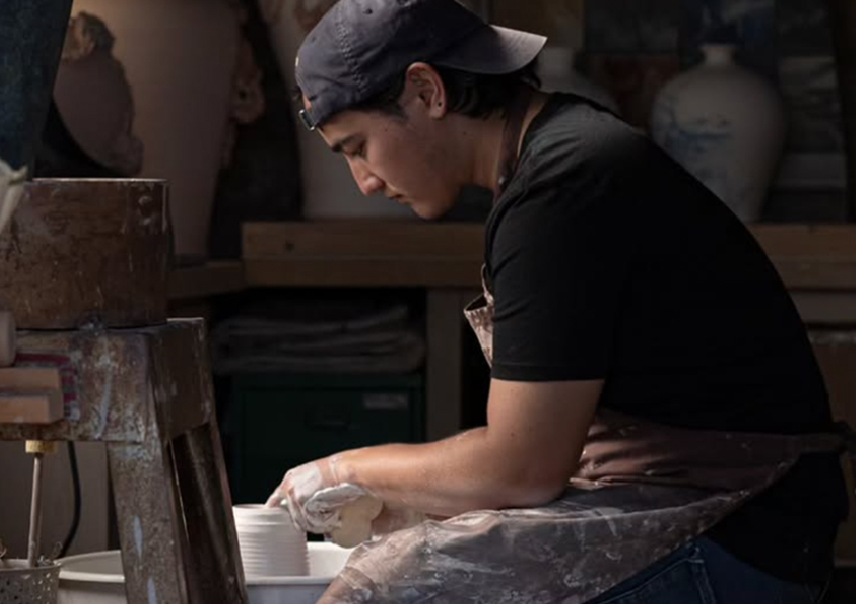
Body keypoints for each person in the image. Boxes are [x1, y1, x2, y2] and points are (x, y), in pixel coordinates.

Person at [264, 1, 852, 602]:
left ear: (426, 90)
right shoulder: (553, 158)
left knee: (388, 592)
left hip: (743, 533)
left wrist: (345, 470)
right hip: (702, 505)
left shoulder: (564, 183)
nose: (364, 180)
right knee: (404, 545)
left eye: (358, 146)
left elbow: (522, 468)